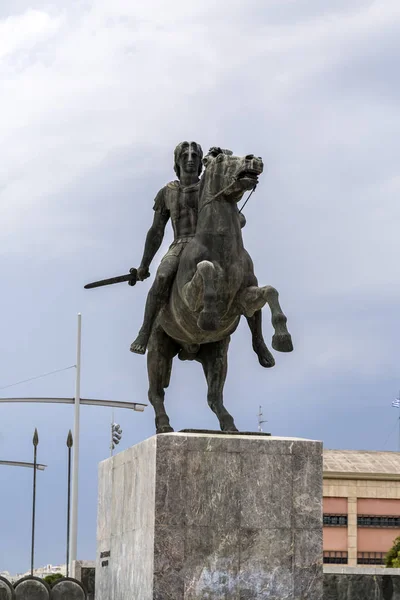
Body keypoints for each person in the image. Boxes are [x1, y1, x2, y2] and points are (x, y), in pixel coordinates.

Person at [130, 141, 275, 368]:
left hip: (211, 243)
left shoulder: (208, 186)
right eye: (184, 155)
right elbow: (156, 231)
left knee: (247, 278)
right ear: (177, 162)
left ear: (200, 163)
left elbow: (231, 209)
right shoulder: (167, 192)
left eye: (194, 156)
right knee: (162, 277)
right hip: (181, 245)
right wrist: (144, 265)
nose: (190, 159)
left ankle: (258, 339)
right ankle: (144, 331)